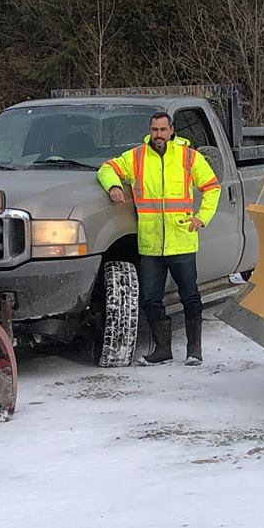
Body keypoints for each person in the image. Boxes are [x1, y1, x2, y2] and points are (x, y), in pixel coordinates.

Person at [97, 110, 222, 364]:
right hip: (151, 243)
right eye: (154, 130)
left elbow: (212, 187)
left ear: (172, 130)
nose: (158, 135)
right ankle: (163, 350)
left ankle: (194, 350)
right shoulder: (137, 157)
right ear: (149, 131)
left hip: (182, 239)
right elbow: (107, 168)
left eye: (163, 130)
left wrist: (202, 217)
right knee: (150, 299)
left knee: (190, 296)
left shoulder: (188, 157)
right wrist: (113, 185)